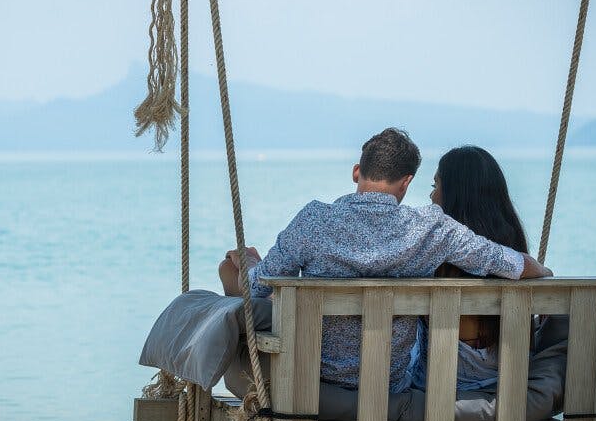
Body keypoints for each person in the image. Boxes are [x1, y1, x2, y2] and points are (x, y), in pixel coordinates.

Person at [218, 128, 551, 396]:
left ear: (357, 172)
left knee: (230, 270)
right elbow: (510, 263)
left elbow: (257, 287)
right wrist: (544, 271)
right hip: (390, 385)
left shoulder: (313, 220)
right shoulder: (431, 229)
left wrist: (247, 262)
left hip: (313, 379)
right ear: (406, 181)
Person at [412, 145, 532, 392]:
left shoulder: (439, 252)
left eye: (435, 186)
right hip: (507, 380)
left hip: (438, 385)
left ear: (455, 193)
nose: (431, 196)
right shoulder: (511, 246)